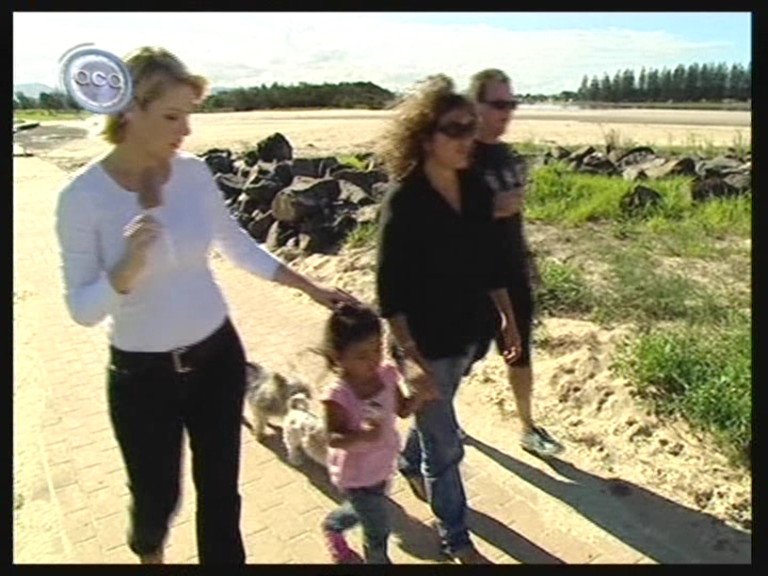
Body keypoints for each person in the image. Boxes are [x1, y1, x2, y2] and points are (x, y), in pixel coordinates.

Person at [54, 46, 355, 565]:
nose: (187, 130)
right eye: (173, 116)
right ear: (130, 110)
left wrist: (309, 287)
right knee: (155, 502)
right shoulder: (81, 197)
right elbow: (82, 309)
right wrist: (125, 269)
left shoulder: (193, 174)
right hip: (143, 375)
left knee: (220, 492)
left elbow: (237, 245)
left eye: (189, 115)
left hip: (217, 357)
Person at [374, 74, 521, 564]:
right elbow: (390, 294)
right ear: (425, 137)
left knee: (437, 415)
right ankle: (455, 537)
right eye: (454, 129)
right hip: (426, 343)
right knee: (447, 446)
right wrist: (411, 360)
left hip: (469, 334)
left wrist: (508, 318)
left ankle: (408, 460)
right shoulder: (405, 202)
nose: (467, 138)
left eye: (470, 128)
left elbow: (491, 262)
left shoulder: (474, 188)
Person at [466, 68, 564, 457]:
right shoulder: (459, 155)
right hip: (471, 278)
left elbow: (513, 220)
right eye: (499, 104)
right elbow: (443, 219)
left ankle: (527, 427)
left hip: (511, 271)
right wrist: (490, 207)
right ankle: (425, 438)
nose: (507, 112)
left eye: (512, 103)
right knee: (458, 359)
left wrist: (527, 261)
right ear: (475, 105)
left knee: (519, 351)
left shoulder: (507, 156)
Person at [318, 302, 431, 564]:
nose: (373, 360)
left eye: (378, 349)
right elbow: (333, 438)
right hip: (356, 475)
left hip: (382, 464)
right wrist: (363, 436)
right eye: (362, 356)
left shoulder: (387, 375)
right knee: (378, 529)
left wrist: (419, 396)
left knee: (367, 509)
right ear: (339, 356)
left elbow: (402, 409)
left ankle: (333, 524)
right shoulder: (338, 395)